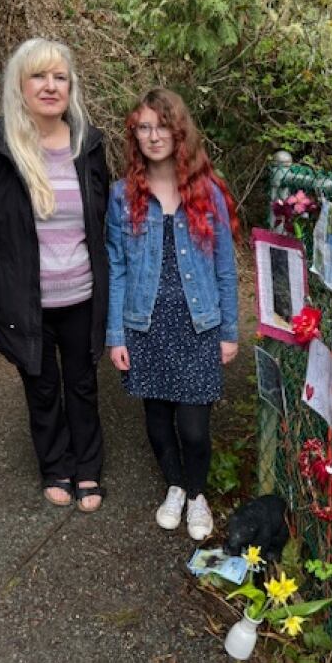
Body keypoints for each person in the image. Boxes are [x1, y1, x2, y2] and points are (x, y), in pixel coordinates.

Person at [0, 38, 109, 512]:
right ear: (20, 85)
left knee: (82, 385)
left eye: (59, 77)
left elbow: (102, 214)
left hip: (82, 295)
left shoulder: (90, 142)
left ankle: (88, 469)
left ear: (71, 86)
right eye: (39, 76)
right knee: (41, 386)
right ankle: (55, 466)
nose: (50, 86)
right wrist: (10, 260)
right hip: (26, 300)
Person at [106, 88, 239, 540]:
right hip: (145, 324)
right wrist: (116, 335)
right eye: (143, 127)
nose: (152, 135)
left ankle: (198, 494)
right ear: (134, 135)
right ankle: (176, 486)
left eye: (161, 126)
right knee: (158, 420)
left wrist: (229, 331)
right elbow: (118, 269)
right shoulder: (122, 196)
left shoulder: (208, 193)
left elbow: (225, 266)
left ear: (178, 131)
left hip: (198, 325)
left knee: (194, 428)